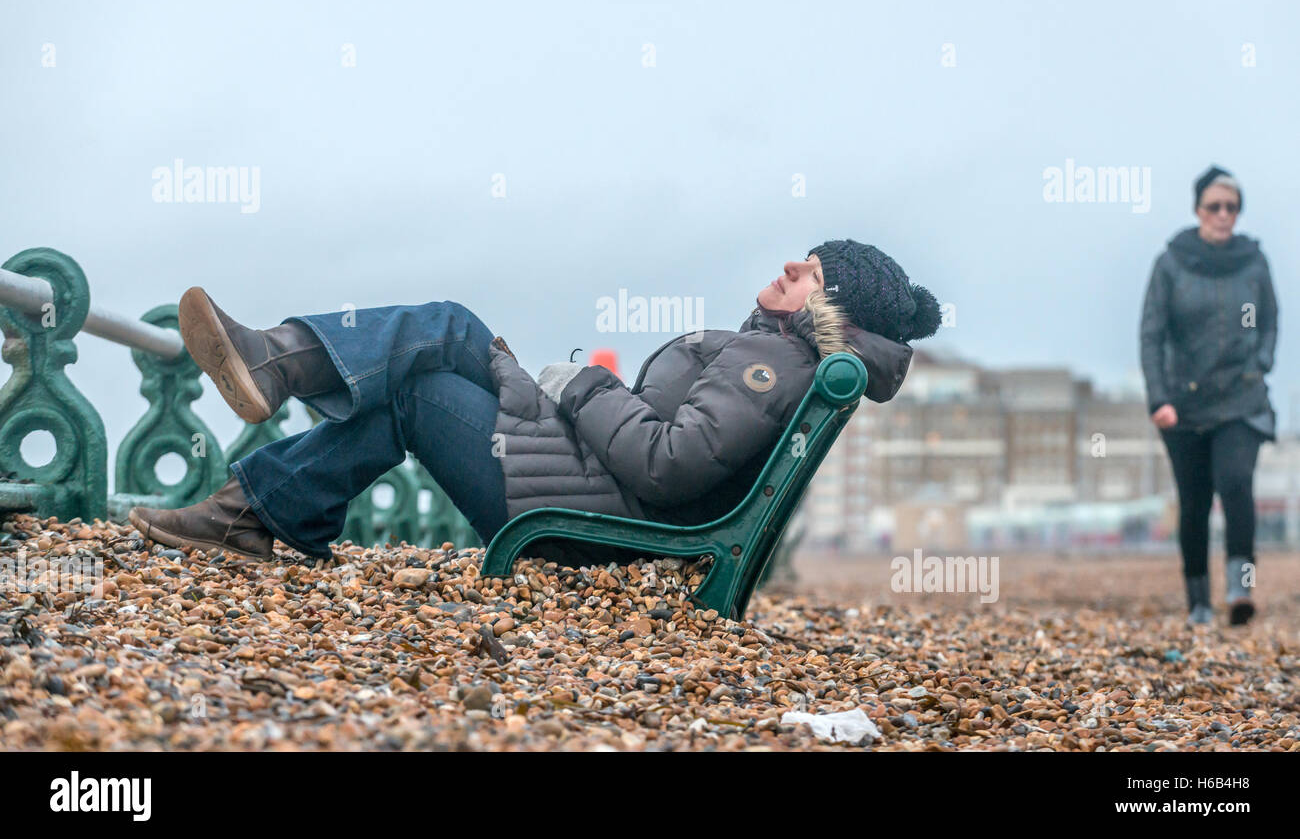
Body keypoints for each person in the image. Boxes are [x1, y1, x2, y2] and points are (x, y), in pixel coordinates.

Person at [129, 240, 940, 567]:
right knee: (438, 345)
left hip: (589, 523)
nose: (784, 271)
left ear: (826, 306)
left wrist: (578, 385)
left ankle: (274, 385)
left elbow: (666, 465)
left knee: (436, 347)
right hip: (579, 480)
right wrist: (575, 392)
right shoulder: (776, 356)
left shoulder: (772, 363)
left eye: (804, 273)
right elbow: (672, 444)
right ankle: (260, 487)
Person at [1140, 166, 1279, 626]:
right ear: (1198, 209)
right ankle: (1198, 600)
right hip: (1184, 401)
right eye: (1214, 206)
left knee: (1236, 483)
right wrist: (1159, 397)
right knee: (1194, 500)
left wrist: (1260, 363)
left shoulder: (1254, 262)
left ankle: (1241, 586)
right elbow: (1152, 335)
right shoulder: (1171, 264)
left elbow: (1269, 321)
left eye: (1231, 207)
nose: (1223, 215)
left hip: (1242, 398)